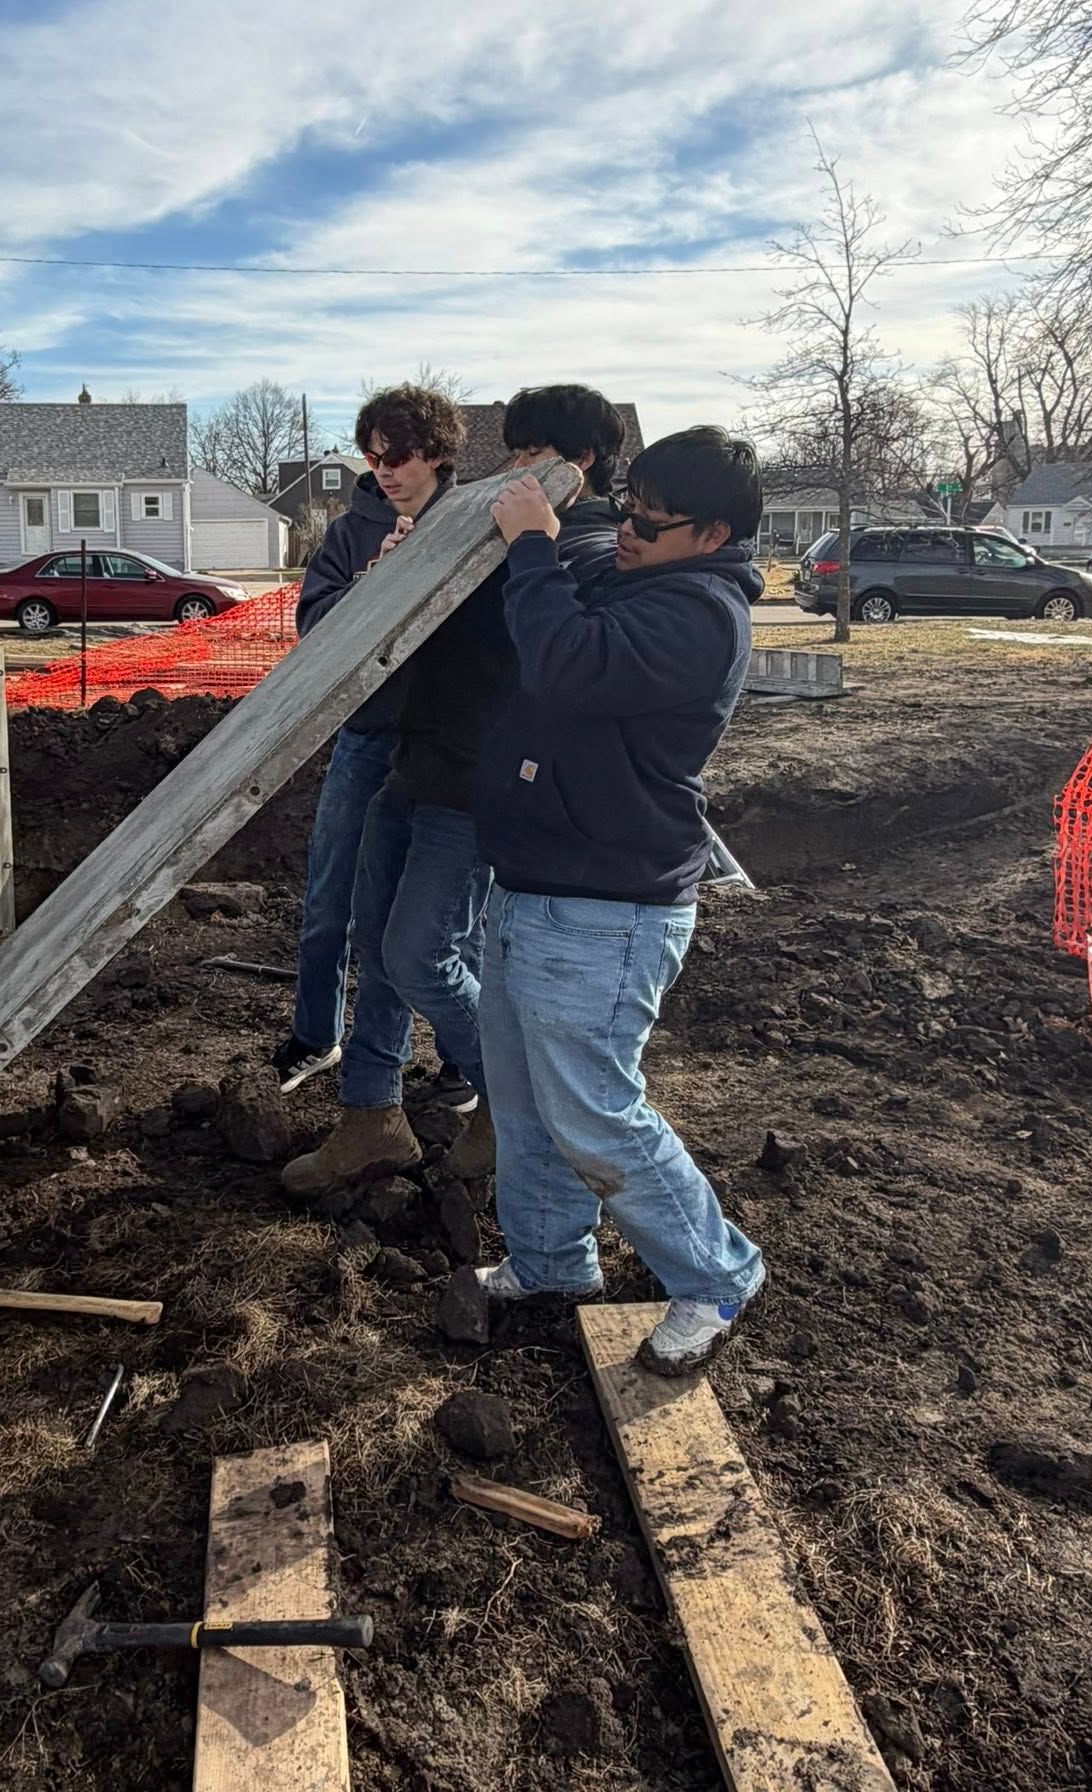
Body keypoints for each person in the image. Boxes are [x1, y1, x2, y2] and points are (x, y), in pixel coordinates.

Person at [281, 385, 626, 1198]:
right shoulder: (487, 523)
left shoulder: (579, 544)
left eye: (532, 452)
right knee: (376, 939)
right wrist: (403, 576)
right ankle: (372, 1115)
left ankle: (519, 1104)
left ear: (578, 462)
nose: (517, 468)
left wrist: (508, 554)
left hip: (478, 782)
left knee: (420, 953)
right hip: (418, 760)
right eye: (511, 451)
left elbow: (553, 653)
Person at [473, 425, 767, 1376]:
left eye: (655, 516)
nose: (630, 526)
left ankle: (718, 1275)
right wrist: (560, 513)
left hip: (607, 910)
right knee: (524, 1106)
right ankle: (553, 1263)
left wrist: (530, 545)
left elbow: (567, 659)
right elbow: (593, 547)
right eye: (631, 501)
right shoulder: (642, 571)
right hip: (533, 889)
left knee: (596, 1113)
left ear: (713, 533)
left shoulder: (698, 616)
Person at [271, 385, 470, 1101]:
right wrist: (372, 585)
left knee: (438, 923)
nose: (384, 469)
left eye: (400, 455)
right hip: (367, 738)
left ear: (439, 454)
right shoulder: (351, 532)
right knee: (329, 900)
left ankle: (456, 1063)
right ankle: (315, 1038)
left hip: (452, 753)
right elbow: (314, 622)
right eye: (372, 455)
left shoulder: (475, 522)